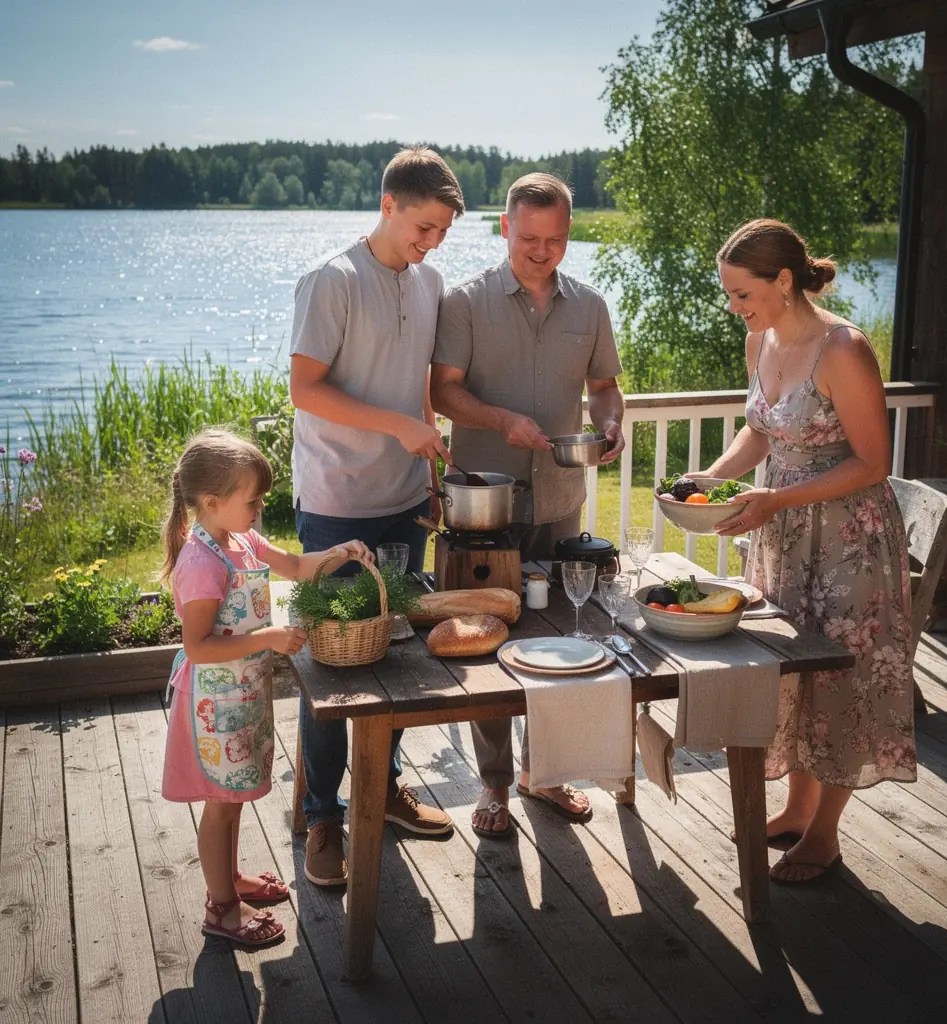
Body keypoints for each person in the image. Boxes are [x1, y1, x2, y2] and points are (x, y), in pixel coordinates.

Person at [704, 218, 916, 883]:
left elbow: (873, 462)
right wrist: (712, 480)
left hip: (850, 540)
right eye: (730, 294)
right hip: (784, 536)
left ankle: (824, 834)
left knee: (843, 680)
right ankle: (797, 811)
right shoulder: (759, 340)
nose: (735, 307)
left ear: (783, 279)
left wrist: (775, 499)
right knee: (793, 677)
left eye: (742, 293)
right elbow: (760, 432)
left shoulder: (843, 349)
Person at [431, 172, 625, 839]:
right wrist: (500, 420)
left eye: (556, 240)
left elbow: (604, 387)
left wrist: (611, 421)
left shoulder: (590, 307)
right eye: (529, 238)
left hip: (560, 501)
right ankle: (492, 784)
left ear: (569, 234)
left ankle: (544, 772)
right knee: (483, 644)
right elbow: (442, 392)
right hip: (482, 508)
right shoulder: (465, 302)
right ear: (505, 227)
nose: (542, 252)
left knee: (562, 639)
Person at [289, 147, 464, 886]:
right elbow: (305, 390)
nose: (432, 243)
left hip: (404, 500)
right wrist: (397, 427)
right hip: (337, 504)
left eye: (443, 232)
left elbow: (417, 387)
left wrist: (428, 472)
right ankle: (321, 818)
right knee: (335, 664)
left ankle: (383, 789)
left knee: (394, 657)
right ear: (388, 205)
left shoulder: (430, 283)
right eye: (423, 227)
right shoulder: (331, 279)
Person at [160, 428, 374, 946]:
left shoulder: (242, 540)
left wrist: (339, 553)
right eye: (252, 501)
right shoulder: (202, 563)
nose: (259, 510)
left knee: (232, 797)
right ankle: (221, 909)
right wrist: (270, 638)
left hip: (242, 697)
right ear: (212, 502)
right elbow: (198, 647)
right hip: (214, 705)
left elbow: (297, 567)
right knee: (220, 806)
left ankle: (229, 879)